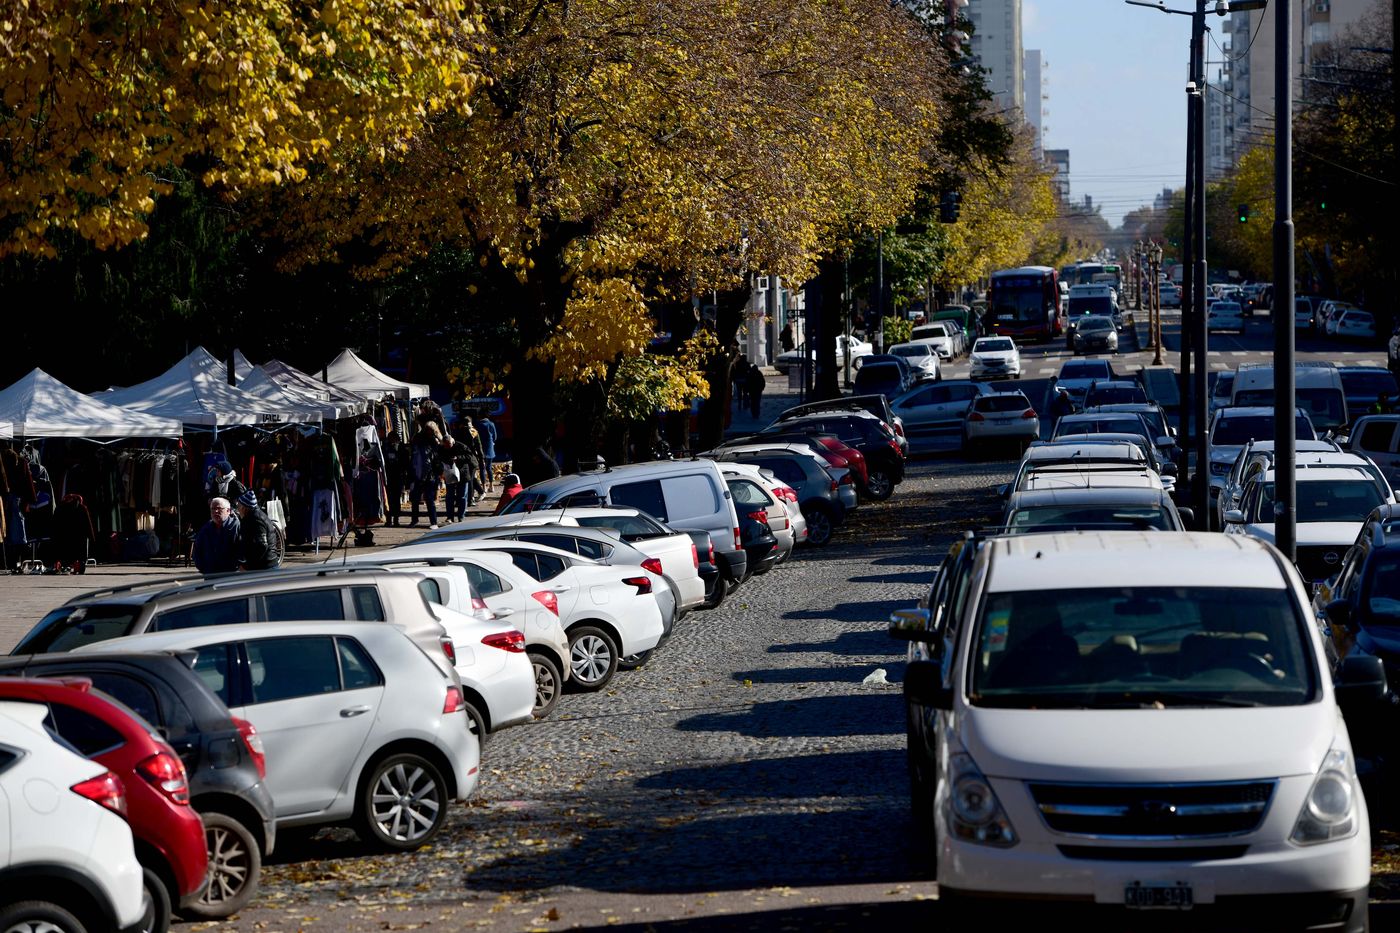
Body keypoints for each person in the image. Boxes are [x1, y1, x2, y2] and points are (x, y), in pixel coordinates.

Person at [409, 406, 444, 528]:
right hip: (420, 473)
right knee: (417, 499)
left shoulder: (434, 441)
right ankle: (416, 520)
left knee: (429, 499)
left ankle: (433, 522)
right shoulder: (422, 439)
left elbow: (436, 459)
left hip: (429, 475)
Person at [234, 489, 279, 571]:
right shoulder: (250, 517)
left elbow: (261, 545)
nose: (238, 508)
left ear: (244, 508)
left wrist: (248, 566)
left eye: (239, 505)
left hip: (266, 567)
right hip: (262, 565)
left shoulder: (256, 520)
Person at [192, 497, 240, 574]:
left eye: (219, 508)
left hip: (230, 575)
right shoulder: (206, 528)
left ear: (228, 511)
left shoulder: (235, 526)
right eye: (213, 509)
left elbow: (242, 551)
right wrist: (202, 567)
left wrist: (235, 566)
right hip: (210, 574)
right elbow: (197, 550)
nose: (215, 511)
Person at [382, 433, 407, 526]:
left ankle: (395, 520)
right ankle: (389, 519)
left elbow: (405, 462)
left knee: (396, 499)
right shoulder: (385, 447)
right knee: (389, 499)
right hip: (388, 477)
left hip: (397, 476)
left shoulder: (401, 448)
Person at [475, 414, 498, 491]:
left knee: (482, 469)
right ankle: (492, 486)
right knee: (489, 468)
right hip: (490, 449)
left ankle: (484, 487)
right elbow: (495, 437)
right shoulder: (491, 424)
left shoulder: (477, 425)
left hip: (481, 449)